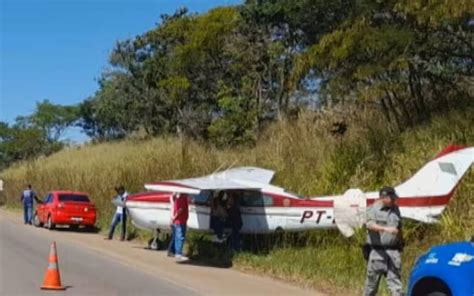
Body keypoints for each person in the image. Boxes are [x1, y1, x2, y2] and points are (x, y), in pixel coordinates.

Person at [364, 186, 403, 296]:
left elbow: (399, 227)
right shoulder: (372, 209)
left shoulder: (396, 209)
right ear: (384, 197)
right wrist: (385, 229)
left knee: (396, 287)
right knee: (371, 287)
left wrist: (401, 241)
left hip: (393, 253)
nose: (394, 200)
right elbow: (370, 225)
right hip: (378, 253)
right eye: (392, 198)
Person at [168, 193, 189, 261]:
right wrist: (174, 218)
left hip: (179, 222)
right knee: (180, 237)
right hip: (180, 222)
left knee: (177, 237)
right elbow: (180, 210)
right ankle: (178, 254)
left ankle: (175, 252)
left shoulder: (178, 199)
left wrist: (173, 219)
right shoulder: (183, 199)